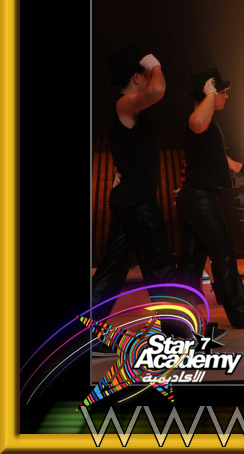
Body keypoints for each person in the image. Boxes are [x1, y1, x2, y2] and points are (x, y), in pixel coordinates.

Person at [91, 45, 176, 353]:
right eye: (144, 74)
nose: (148, 77)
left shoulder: (129, 108)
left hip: (129, 199)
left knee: (112, 270)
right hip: (137, 202)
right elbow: (158, 90)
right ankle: (177, 335)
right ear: (137, 78)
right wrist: (156, 64)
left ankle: (85, 336)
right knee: (159, 266)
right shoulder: (125, 103)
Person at [175, 68, 244, 330]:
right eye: (222, 92)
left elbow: (231, 163)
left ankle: (181, 322)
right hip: (199, 197)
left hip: (197, 197)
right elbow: (197, 123)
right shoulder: (199, 120)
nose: (226, 97)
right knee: (224, 256)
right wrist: (209, 94)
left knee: (191, 263)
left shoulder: (211, 125)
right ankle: (243, 316)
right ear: (209, 93)